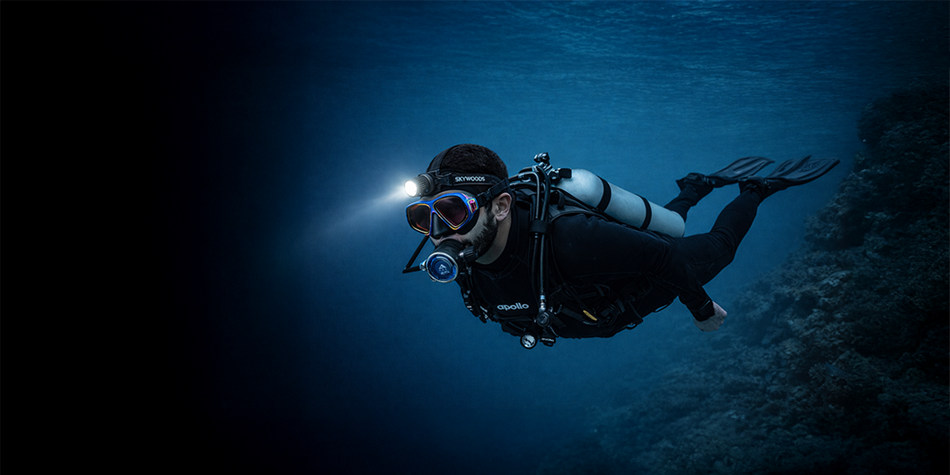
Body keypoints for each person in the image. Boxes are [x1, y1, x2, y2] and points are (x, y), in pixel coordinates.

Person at [402, 144, 838, 348]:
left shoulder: (571, 239)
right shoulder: (468, 265)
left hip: (642, 283)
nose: (439, 233)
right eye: (423, 219)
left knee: (719, 245)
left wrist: (702, 310)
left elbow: (661, 255)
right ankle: (695, 187)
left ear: (499, 206)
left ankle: (757, 188)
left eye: (454, 212)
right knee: (667, 229)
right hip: (605, 287)